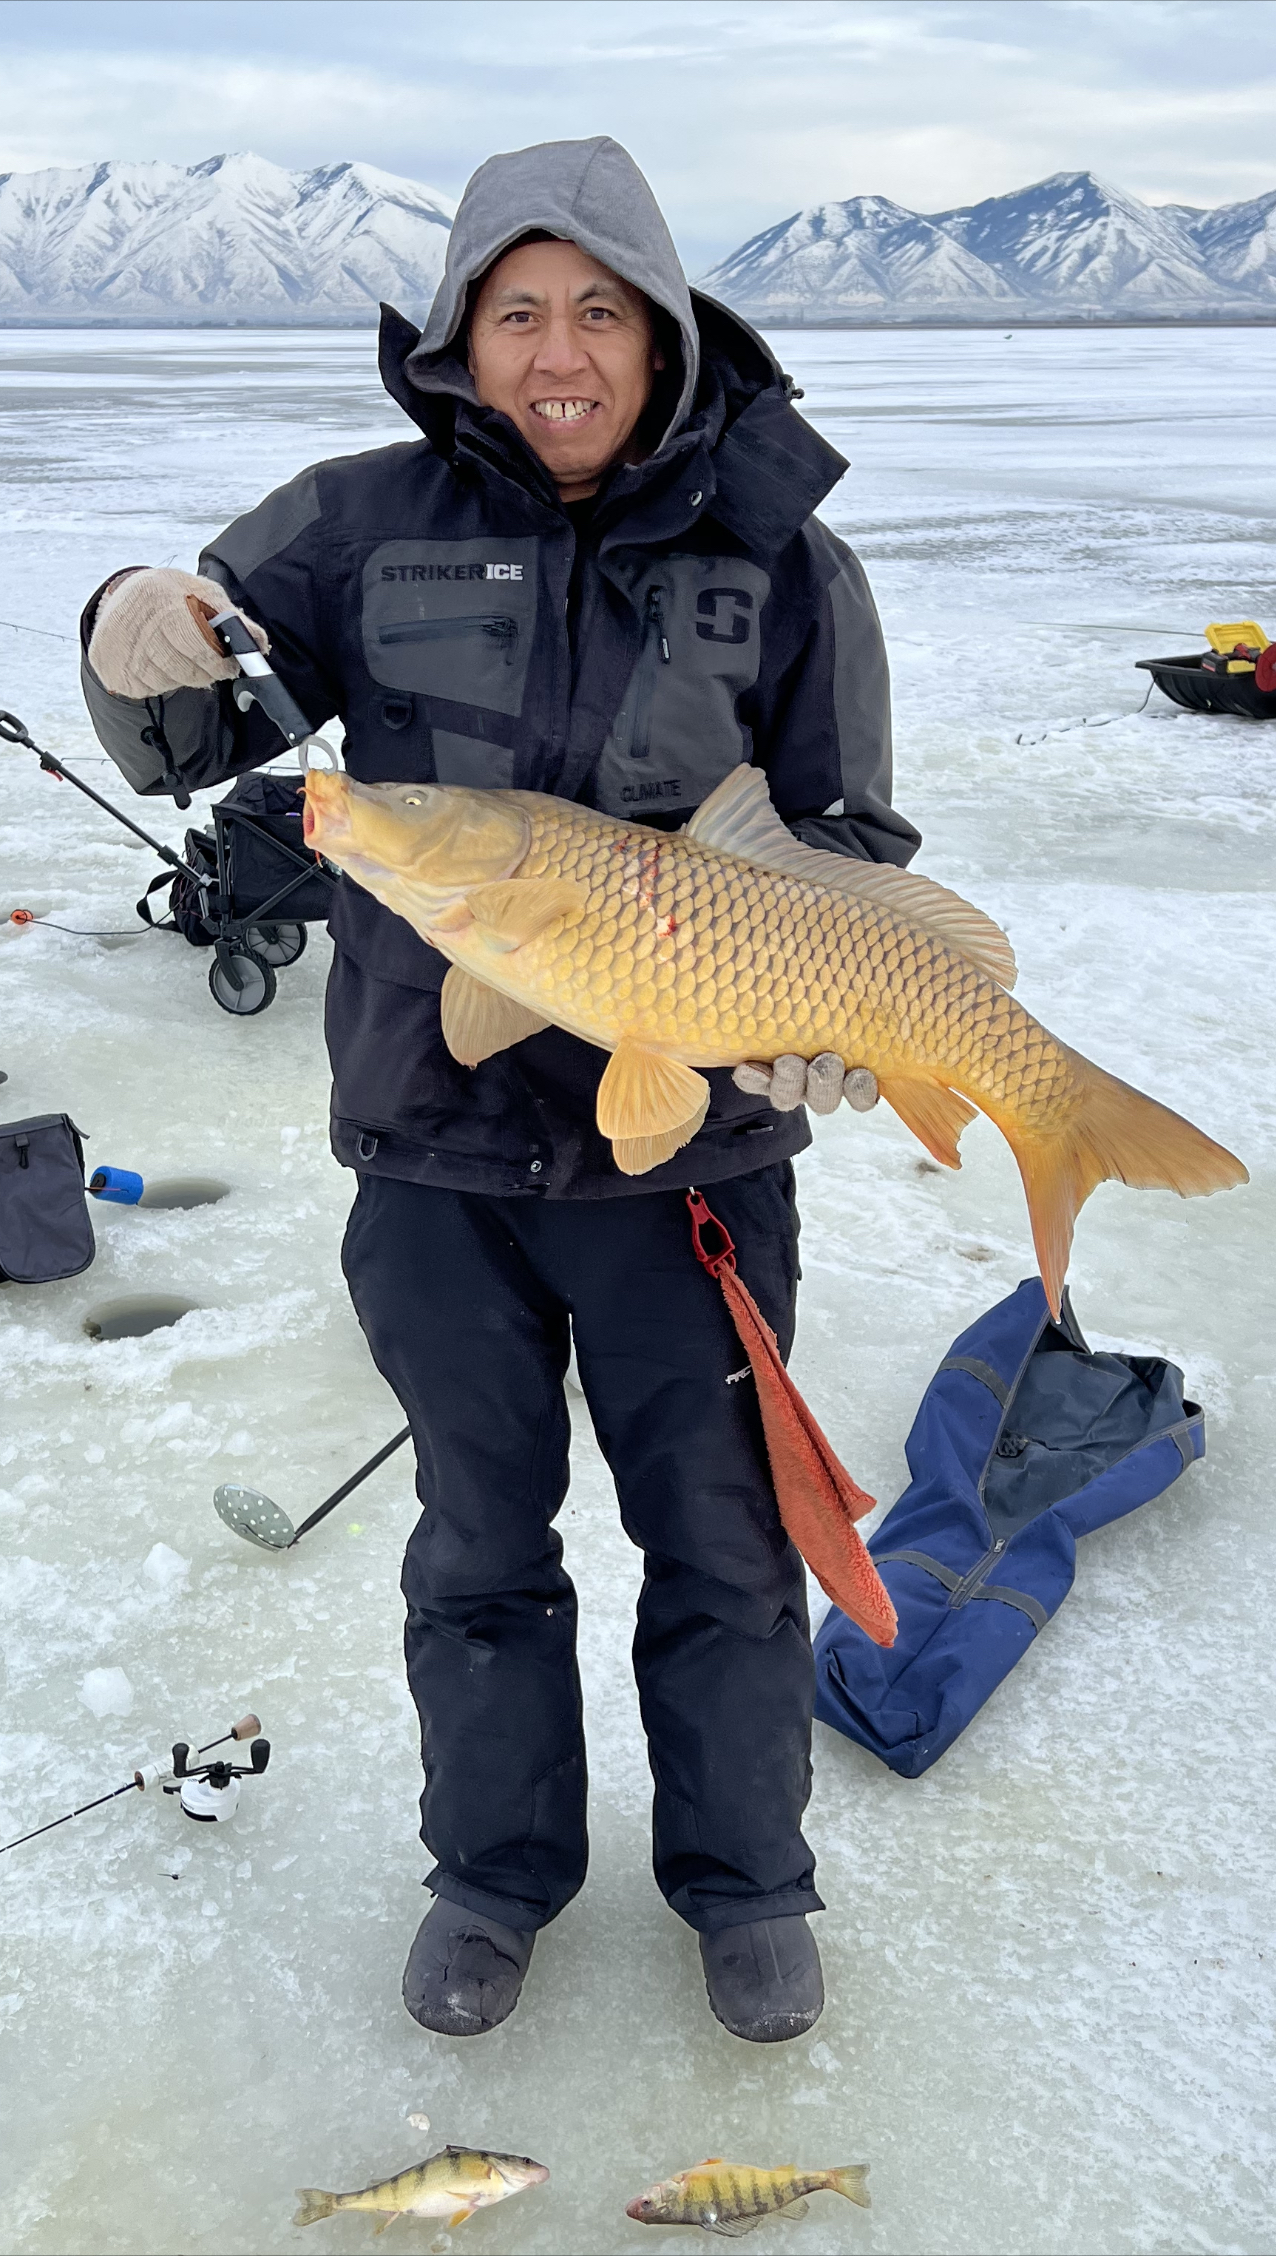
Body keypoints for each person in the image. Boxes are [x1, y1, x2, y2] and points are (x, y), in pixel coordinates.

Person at [81, 137, 920, 2044]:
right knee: (477, 1544)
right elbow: (192, 716)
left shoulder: (785, 554)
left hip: (694, 1163)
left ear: (664, 332)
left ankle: (746, 1883)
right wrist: (133, 625)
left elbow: (849, 834)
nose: (559, 352)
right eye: (518, 311)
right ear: (462, 338)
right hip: (434, 1149)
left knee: (724, 1545)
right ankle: (494, 1874)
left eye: (598, 311)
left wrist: (825, 994)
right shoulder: (357, 519)